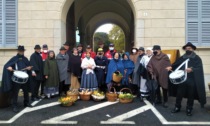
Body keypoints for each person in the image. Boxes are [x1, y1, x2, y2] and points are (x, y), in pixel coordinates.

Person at [167, 42, 206, 116]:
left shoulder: (197, 58)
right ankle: (177, 107)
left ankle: (189, 109)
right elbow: (175, 64)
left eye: (189, 48)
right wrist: (171, 67)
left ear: (193, 49)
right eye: (186, 48)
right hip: (182, 80)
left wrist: (192, 69)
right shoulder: (182, 57)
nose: (188, 49)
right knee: (179, 94)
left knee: (190, 95)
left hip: (191, 80)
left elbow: (199, 68)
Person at [1, 46, 32, 112]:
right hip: (16, 79)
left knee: (26, 91)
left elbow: (29, 66)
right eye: (20, 51)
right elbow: (7, 65)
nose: (21, 52)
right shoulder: (14, 58)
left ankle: (26, 103)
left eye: (22, 51)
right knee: (15, 93)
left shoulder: (25, 59)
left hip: (24, 78)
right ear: (18, 51)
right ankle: (14, 106)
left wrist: (29, 68)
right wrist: (9, 67)